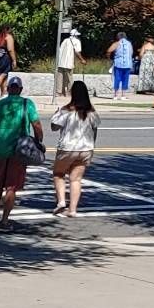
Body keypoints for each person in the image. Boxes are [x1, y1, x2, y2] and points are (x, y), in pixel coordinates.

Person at [0, 73, 43, 231]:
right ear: (20, 89)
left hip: (0, 148)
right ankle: (4, 221)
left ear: (8, 89)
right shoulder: (27, 104)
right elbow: (36, 124)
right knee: (11, 186)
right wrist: (39, 140)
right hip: (19, 151)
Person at [50, 79, 98, 217]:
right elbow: (95, 129)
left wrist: (56, 114)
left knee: (59, 174)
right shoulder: (91, 111)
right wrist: (92, 146)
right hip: (86, 148)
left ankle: (61, 202)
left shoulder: (66, 109)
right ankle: (72, 210)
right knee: (76, 179)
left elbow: (54, 127)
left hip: (68, 147)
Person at [55, 27, 83, 99]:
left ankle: (59, 92)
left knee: (60, 77)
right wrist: (82, 60)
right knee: (69, 78)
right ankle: (69, 92)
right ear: (75, 35)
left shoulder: (65, 40)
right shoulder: (77, 41)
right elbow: (77, 52)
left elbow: (60, 50)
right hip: (69, 62)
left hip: (61, 62)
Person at [109, 31, 134, 98]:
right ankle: (123, 95)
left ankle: (115, 95)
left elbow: (109, 50)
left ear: (118, 37)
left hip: (118, 63)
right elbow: (131, 53)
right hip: (127, 64)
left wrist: (112, 56)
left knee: (117, 79)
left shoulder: (117, 43)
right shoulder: (129, 44)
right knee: (125, 79)